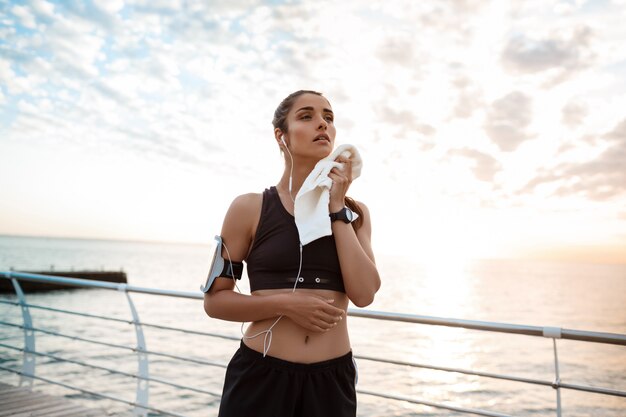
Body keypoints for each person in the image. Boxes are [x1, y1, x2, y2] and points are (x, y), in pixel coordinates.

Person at [203, 90, 381, 417]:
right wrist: (286, 304)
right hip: (260, 378)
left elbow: (365, 293)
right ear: (280, 136)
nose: (322, 125)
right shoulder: (249, 208)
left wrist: (336, 207)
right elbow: (214, 301)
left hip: (331, 385)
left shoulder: (356, 213)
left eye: (328, 117)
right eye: (307, 116)